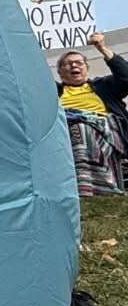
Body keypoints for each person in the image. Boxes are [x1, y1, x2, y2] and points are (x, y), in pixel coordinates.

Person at [57, 31, 128, 196]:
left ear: (86, 68)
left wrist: (102, 48)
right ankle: (99, 185)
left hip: (107, 128)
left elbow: (126, 77)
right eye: (68, 64)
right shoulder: (53, 92)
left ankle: (89, 187)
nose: (74, 66)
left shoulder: (104, 85)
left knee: (81, 129)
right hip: (64, 128)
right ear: (59, 72)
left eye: (79, 63)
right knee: (77, 128)